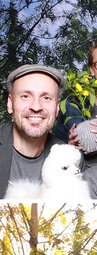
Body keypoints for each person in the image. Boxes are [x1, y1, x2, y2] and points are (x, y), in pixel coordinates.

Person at [0, 64, 71, 198]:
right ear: (10, 104)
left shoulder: (68, 157)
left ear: (57, 108)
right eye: (26, 96)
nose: (36, 107)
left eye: (46, 98)